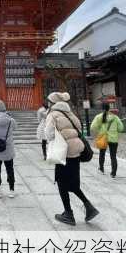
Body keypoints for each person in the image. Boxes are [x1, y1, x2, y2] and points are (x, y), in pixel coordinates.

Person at [45, 92, 99, 226]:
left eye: (49, 101)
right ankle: (89, 207)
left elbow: (49, 134)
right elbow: (79, 128)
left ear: (52, 102)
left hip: (63, 152)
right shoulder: (70, 114)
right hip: (76, 152)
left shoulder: (52, 114)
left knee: (61, 182)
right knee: (73, 183)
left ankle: (68, 213)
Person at [91, 103, 124, 178]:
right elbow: (121, 128)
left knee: (102, 153)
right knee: (113, 156)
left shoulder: (99, 117)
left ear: (102, 109)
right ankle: (113, 172)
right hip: (113, 138)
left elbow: (93, 127)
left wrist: (99, 130)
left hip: (103, 138)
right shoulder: (115, 117)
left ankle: (101, 168)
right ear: (109, 108)